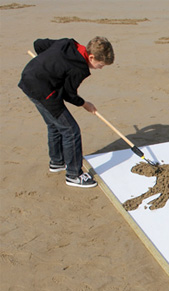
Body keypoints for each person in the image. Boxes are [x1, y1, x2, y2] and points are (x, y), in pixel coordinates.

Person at [18, 36, 114, 188]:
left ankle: (57, 162)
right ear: (91, 57)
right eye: (100, 65)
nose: (99, 68)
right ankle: (74, 175)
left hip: (28, 79)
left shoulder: (68, 43)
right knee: (71, 130)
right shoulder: (79, 68)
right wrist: (85, 104)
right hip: (43, 92)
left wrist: (47, 64)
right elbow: (68, 94)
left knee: (54, 124)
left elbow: (39, 44)